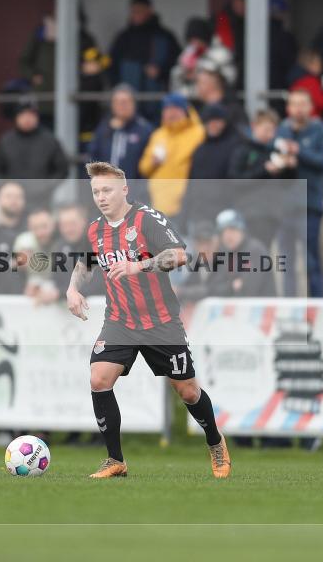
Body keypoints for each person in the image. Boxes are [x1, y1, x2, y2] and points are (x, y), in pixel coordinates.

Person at [66, 161, 231, 479]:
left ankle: (215, 442)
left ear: (124, 190)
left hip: (160, 321)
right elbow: (86, 261)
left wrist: (137, 266)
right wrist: (73, 288)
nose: (101, 197)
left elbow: (179, 254)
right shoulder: (95, 229)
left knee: (187, 391)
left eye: (107, 191)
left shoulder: (145, 219)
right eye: (96, 191)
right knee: (99, 379)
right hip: (120, 320)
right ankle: (115, 460)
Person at [277, 89, 323, 297]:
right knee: (286, 261)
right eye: (294, 104)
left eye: (302, 104)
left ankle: (317, 305)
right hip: (284, 206)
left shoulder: (320, 130)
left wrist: (299, 152)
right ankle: (290, 307)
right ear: (288, 108)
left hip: (309, 204)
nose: (298, 109)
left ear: (310, 107)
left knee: (311, 260)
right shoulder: (282, 130)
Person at [227, 108, 296, 249]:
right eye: (266, 129)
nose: (270, 134)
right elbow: (235, 181)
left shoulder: (275, 152)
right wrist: (265, 170)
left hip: (271, 214)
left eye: (273, 130)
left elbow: (287, 184)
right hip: (248, 213)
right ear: (254, 126)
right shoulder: (242, 150)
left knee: (263, 255)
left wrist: (290, 168)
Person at [108, 0, 180, 119]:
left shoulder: (164, 36)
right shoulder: (123, 38)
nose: (136, 15)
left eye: (140, 11)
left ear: (149, 11)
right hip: (129, 101)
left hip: (157, 100)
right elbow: (111, 66)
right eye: (133, 11)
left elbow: (177, 62)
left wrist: (160, 71)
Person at [19, 14, 97, 128]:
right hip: (46, 99)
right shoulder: (41, 35)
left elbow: (96, 63)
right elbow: (24, 61)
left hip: (75, 100)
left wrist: (89, 68)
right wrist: (33, 76)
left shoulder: (83, 38)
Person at [137, 93, 205, 218]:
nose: (171, 113)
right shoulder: (158, 135)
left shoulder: (199, 133)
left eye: (175, 109)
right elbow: (143, 168)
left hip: (187, 204)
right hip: (158, 204)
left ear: (185, 110)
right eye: (167, 109)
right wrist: (152, 162)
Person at [0, 98, 69, 208]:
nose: (27, 118)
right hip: (13, 202)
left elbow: (62, 169)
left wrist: (46, 187)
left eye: (31, 114)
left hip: (41, 202)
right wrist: (7, 189)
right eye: (23, 114)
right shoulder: (6, 141)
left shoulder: (49, 140)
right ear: (16, 117)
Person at [183, 104, 243, 231]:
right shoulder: (200, 150)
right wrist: (185, 213)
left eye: (217, 121)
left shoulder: (236, 146)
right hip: (199, 213)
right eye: (209, 121)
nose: (213, 125)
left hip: (225, 213)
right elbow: (190, 183)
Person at [86, 84, 152, 182]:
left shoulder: (144, 130)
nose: (121, 106)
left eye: (125, 102)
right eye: (117, 102)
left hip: (135, 192)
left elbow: (147, 166)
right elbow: (92, 158)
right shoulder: (103, 129)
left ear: (133, 104)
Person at [209, 209, 277, 298]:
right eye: (223, 232)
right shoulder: (225, 254)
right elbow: (212, 287)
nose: (227, 236)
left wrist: (226, 288)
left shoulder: (255, 250)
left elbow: (247, 290)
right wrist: (231, 286)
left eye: (232, 229)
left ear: (242, 230)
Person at [169, 17, 236, 100]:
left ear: (205, 38)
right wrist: (184, 74)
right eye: (191, 40)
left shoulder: (221, 54)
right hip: (190, 100)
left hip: (215, 101)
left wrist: (203, 75)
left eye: (197, 39)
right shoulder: (187, 54)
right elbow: (175, 77)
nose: (195, 43)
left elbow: (230, 78)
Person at [52, 204, 104, 299]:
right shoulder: (59, 247)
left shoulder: (96, 246)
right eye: (64, 225)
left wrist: (60, 294)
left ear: (84, 222)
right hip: (66, 310)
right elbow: (57, 281)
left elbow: (96, 286)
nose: (68, 229)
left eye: (72, 224)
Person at [193, 64, 248, 133]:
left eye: (199, 83)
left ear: (210, 85)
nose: (196, 88)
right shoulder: (198, 109)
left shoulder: (233, 111)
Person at [287, 49, 323, 119]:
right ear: (309, 65)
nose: (321, 67)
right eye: (318, 63)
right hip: (310, 120)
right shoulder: (311, 81)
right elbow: (321, 103)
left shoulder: (297, 78)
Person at [214, 0, 246, 87]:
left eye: (245, 0)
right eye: (240, 0)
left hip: (243, 74)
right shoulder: (221, 19)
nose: (242, 4)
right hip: (223, 71)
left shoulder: (253, 21)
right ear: (233, 0)